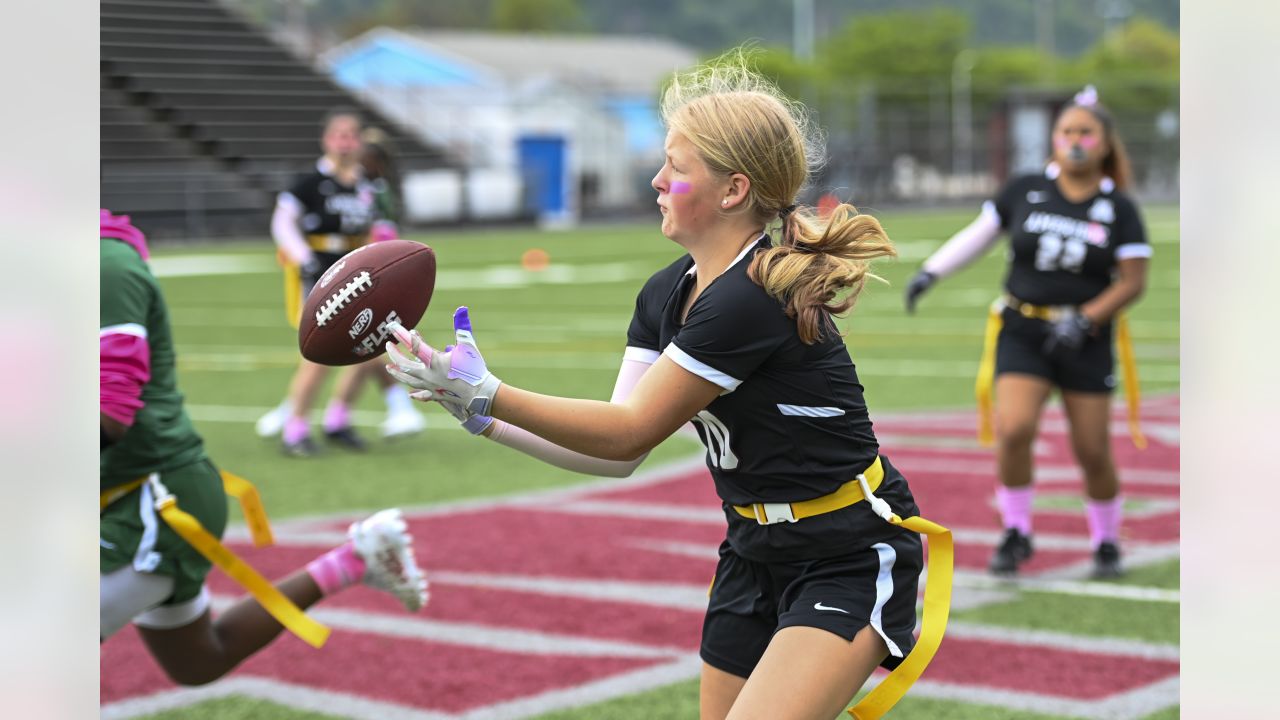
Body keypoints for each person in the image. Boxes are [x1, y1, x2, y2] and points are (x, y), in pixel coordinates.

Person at [383, 54, 947, 720]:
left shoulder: (750, 296)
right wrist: (474, 412)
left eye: (676, 169)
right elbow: (616, 455)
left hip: (846, 550)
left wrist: (491, 391)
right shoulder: (666, 293)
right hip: (752, 549)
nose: (656, 179)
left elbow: (630, 430)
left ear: (733, 190)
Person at [101, 209, 427, 684]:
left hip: (149, 500)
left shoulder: (102, 266)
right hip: (115, 492)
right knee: (199, 660)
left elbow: (110, 410)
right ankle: (357, 557)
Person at [903, 86, 1151, 579]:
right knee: (1014, 430)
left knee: (1092, 450)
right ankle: (1016, 531)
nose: (1075, 140)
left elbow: (1133, 282)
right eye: (1067, 131)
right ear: (1054, 138)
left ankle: (1105, 540)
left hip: (1086, 336)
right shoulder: (1025, 188)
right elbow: (980, 233)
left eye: (1086, 132)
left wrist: (1085, 318)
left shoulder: (1118, 208)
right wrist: (931, 271)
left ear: (1104, 143)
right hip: (1024, 327)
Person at [254, 108, 425, 455]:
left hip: (363, 273)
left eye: (351, 136)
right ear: (327, 139)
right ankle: (296, 428)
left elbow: (381, 227)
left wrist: (389, 254)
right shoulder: (310, 183)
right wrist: (303, 257)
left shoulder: (368, 185)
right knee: (318, 352)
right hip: (322, 271)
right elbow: (282, 222)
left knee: (365, 347)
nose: (345, 142)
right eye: (339, 135)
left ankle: (338, 418)